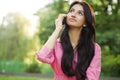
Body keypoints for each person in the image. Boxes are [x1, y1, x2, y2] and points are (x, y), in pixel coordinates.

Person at [36, 0, 101, 80]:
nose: (73, 15)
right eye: (71, 11)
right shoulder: (56, 44)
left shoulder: (94, 48)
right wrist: (58, 29)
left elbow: (92, 77)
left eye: (80, 13)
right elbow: (42, 56)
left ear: (85, 23)